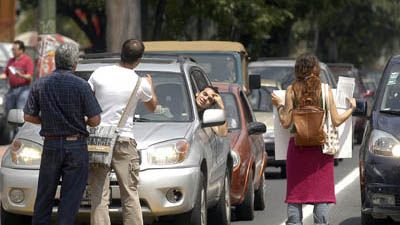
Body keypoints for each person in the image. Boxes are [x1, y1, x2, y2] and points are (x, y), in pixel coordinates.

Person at [271, 53, 356, 225]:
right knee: (321, 195)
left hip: (298, 150)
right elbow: (337, 120)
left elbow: (286, 123)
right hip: (321, 151)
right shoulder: (325, 91)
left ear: (297, 70)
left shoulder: (291, 90)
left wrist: (279, 105)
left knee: (295, 196)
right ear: (316, 69)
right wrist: (352, 108)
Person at [23, 43, 102, 225]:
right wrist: (81, 121)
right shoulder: (82, 86)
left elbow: (28, 115)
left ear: (55, 62)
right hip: (76, 146)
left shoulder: (40, 84)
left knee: (44, 195)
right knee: (70, 197)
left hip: (50, 144)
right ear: (75, 64)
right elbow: (95, 120)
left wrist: (47, 121)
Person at [88, 39, 157, 225]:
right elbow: (152, 107)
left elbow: (87, 99)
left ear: (121, 53)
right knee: (130, 193)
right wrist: (151, 85)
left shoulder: (99, 73)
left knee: (99, 194)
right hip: (125, 140)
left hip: (99, 140)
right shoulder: (140, 82)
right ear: (139, 60)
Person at [1, 40, 34, 112]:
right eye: (12, 49)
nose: (13, 51)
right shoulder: (11, 61)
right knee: (9, 110)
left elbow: (30, 76)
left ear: (21, 50)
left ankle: (20, 123)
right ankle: (9, 123)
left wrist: (21, 75)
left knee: (20, 110)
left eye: (14, 49)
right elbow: (5, 74)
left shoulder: (27, 60)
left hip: (23, 89)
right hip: (12, 89)